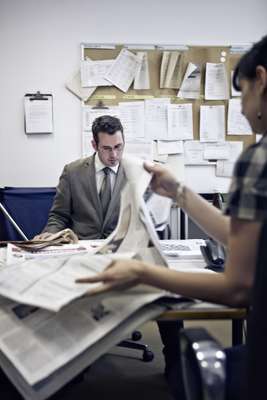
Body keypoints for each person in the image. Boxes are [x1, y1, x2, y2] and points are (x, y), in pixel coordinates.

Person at [76, 35, 267, 399]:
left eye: (243, 94)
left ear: (262, 79)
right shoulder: (75, 172)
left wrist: (143, 273)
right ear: (95, 145)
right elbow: (237, 235)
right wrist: (180, 192)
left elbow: (238, 287)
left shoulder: (259, 158)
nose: (242, 110)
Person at [35, 115, 126, 240]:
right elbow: (59, 216)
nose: (114, 155)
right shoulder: (72, 172)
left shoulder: (136, 173)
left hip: (121, 249)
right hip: (81, 248)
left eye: (118, 147)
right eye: (106, 148)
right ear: (94, 145)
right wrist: (51, 234)